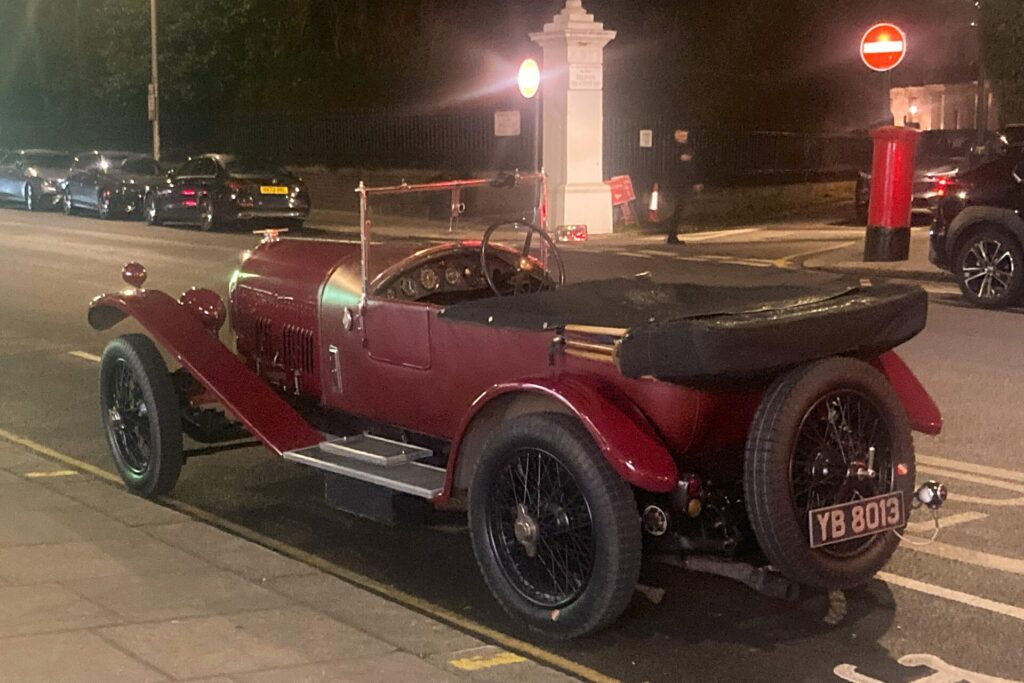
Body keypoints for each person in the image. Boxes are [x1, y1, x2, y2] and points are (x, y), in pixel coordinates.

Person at [664, 129, 702, 244]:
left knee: (680, 209)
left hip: (684, 183)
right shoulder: (675, 149)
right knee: (678, 209)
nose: (684, 136)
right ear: (676, 135)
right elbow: (675, 166)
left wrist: (695, 182)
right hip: (677, 184)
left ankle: (672, 234)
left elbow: (691, 167)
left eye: (685, 134)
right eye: (681, 134)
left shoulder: (686, 148)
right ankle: (672, 235)